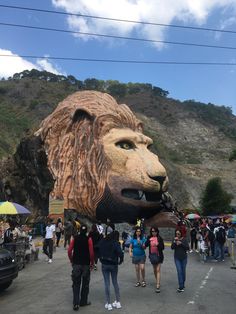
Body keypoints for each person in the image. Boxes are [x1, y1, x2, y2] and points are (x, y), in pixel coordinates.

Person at [68, 224, 94, 311]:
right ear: (86, 231)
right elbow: (91, 253)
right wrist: (92, 263)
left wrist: (72, 260)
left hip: (76, 264)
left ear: (79, 230)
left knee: (76, 284)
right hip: (86, 264)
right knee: (85, 284)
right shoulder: (88, 239)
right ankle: (83, 301)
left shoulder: (75, 238)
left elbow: (69, 250)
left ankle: (76, 303)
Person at [98, 226, 124, 311]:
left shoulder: (102, 241)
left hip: (105, 264)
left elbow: (98, 250)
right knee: (115, 282)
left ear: (105, 233)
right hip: (113, 264)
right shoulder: (115, 242)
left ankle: (108, 303)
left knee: (107, 283)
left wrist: (101, 259)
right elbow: (120, 253)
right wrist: (120, 260)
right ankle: (118, 301)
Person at [145, 227, 164, 293]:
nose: (153, 233)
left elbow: (163, 248)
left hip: (159, 256)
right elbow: (146, 245)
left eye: (155, 231)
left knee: (158, 270)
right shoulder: (149, 237)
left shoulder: (159, 238)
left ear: (157, 231)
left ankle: (158, 285)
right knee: (154, 270)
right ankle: (157, 280)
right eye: (152, 231)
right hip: (152, 256)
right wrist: (147, 241)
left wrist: (158, 245)